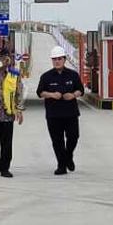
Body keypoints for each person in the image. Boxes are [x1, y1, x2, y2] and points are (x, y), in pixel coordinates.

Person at [36, 46, 85, 175]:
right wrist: (52, 95)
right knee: (57, 141)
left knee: (73, 137)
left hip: (71, 113)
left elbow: (81, 90)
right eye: (54, 59)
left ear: (64, 59)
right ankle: (61, 165)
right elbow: (40, 93)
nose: (57, 61)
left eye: (59, 59)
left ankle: (68, 156)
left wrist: (73, 95)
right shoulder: (46, 77)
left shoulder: (73, 75)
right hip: (53, 115)